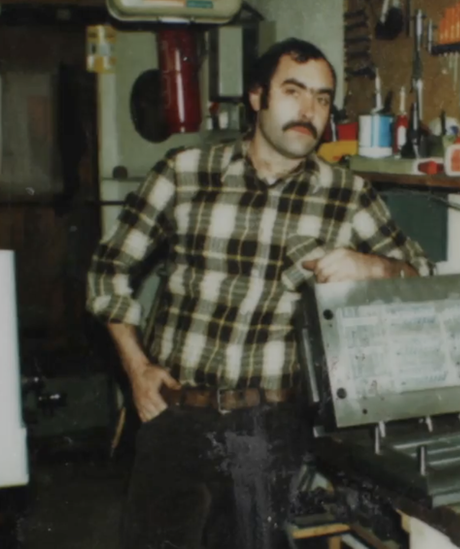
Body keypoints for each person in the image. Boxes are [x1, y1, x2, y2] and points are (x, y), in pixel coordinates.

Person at [86, 37, 433, 549]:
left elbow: (422, 274)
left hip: (270, 429)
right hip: (174, 414)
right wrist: (136, 370)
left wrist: (374, 265)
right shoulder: (184, 173)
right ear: (256, 97)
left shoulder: (347, 195)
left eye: (321, 98)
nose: (308, 110)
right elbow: (107, 270)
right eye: (293, 91)